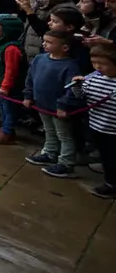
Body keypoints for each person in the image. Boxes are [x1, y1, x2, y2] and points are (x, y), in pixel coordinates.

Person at [24, 30, 85, 178]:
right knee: (49, 130)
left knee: (64, 135)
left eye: (49, 42)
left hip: (58, 108)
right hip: (42, 104)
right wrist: (28, 95)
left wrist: (63, 105)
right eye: (44, 40)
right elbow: (30, 78)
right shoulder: (39, 59)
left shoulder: (70, 66)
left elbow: (71, 89)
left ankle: (66, 162)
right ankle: (49, 153)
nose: (44, 44)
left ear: (65, 47)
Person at [77, 44, 116, 198]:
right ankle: (110, 182)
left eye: (104, 64)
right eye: (94, 63)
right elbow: (81, 95)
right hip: (98, 124)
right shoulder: (93, 78)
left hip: (113, 128)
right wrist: (77, 86)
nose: (98, 67)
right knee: (106, 155)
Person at [0, 14, 26, 145]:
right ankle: (4, 128)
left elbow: (11, 70)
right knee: (2, 108)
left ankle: (7, 132)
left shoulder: (11, 49)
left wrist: (5, 86)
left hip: (6, 87)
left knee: (9, 110)